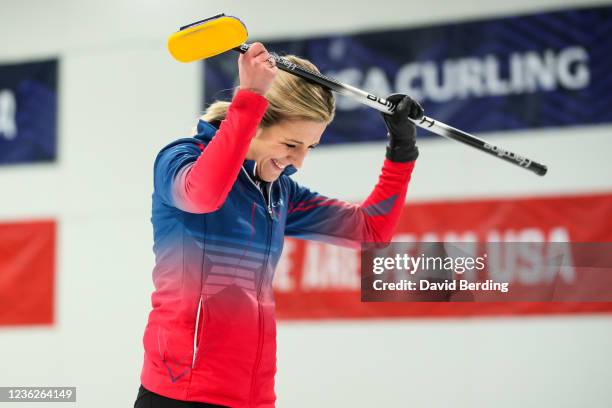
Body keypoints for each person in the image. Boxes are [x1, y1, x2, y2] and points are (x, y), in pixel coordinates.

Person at [134, 42, 423, 408]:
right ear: (255, 119)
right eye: (290, 144)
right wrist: (251, 95)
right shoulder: (180, 159)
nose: (298, 162)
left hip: (254, 397)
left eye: (309, 148)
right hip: (182, 395)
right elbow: (203, 195)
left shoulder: (278, 191)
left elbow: (371, 231)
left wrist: (401, 149)